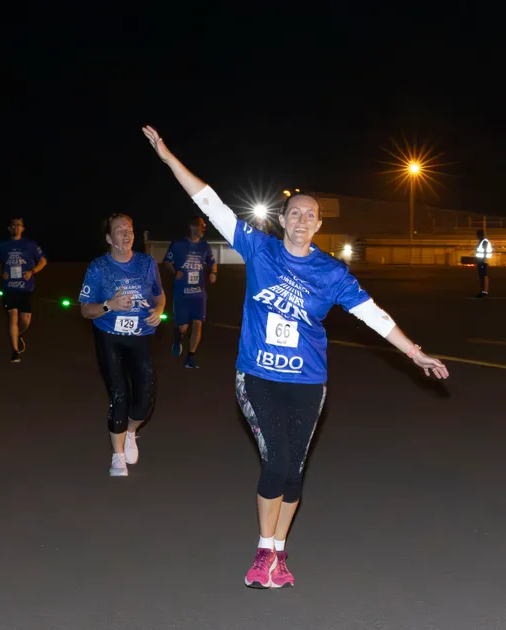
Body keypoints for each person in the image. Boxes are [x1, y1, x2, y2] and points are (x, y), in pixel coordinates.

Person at [143, 125, 449, 589]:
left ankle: (279, 554)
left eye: (311, 215)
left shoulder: (332, 272)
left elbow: (374, 316)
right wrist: (168, 157)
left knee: (295, 470)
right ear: (282, 220)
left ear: (319, 224)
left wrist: (415, 352)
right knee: (277, 462)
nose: (303, 220)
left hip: (308, 381)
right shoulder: (258, 248)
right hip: (258, 376)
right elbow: (209, 201)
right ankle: (263, 549)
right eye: (295, 213)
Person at [78, 214, 166, 477]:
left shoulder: (147, 263)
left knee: (144, 400)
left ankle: (130, 431)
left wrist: (158, 311)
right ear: (109, 238)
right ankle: (117, 457)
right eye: (119, 230)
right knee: (119, 394)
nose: (126, 234)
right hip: (109, 337)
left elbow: (159, 296)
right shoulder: (97, 268)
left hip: (141, 336)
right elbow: (85, 310)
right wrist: (110, 305)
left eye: (129, 229)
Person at [0, 217, 48, 362]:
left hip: (25, 287)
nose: (16, 227)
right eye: (13, 225)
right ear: (9, 228)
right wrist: (0, 272)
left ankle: (18, 335)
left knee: (25, 320)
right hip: (9, 287)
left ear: (23, 228)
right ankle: (15, 351)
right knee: (13, 316)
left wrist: (32, 271)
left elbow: (43, 261)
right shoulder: (3, 246)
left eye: (19, 225)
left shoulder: (30, 245)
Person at [163, 216, 218, 368]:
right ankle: (178, 338)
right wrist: (175, 272)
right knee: (183, 327)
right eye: (201, 226)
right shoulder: (179, 244)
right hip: (182, 293)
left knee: (198, 324)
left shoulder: (204, 246)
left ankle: (190, 357)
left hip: (199, 293)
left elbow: (212, 263)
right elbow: (166, 261)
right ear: (193, 227)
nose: (203, 229)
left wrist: (213, 273)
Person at [474, 229, 492, 297]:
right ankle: (482, 291)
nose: (477, 236)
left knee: (484, 276)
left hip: (483, 261)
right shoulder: (482, 241)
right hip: (481, 261)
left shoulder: (484, 241)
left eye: (477, 235)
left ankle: (484, 291)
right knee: (482, 276)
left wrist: (483, 261)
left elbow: (484, 252)